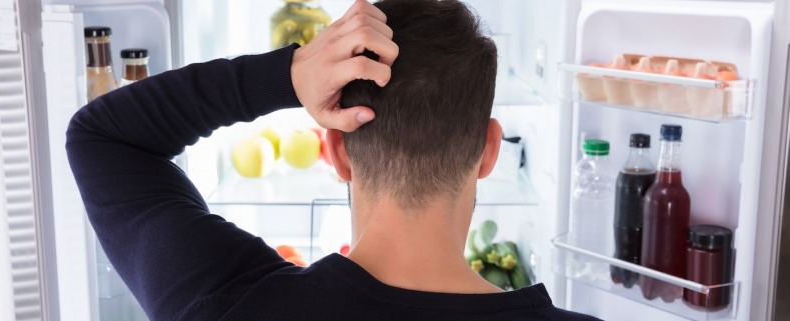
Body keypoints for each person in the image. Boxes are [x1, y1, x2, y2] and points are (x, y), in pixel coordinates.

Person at [67, 0, 600, 320]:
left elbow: (104, 137)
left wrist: (289, 74)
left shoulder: (233, 306)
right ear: (488, 151)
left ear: (335, 150)